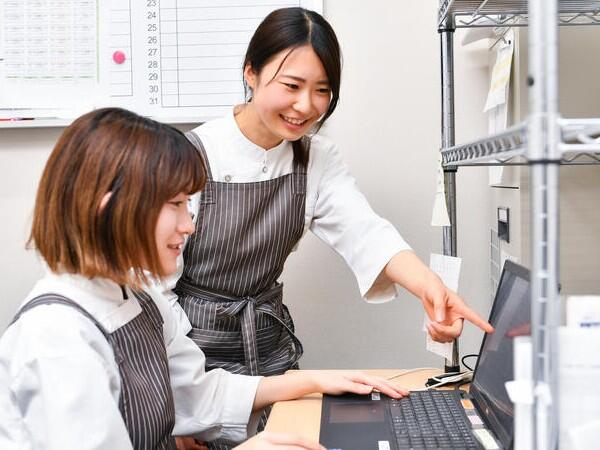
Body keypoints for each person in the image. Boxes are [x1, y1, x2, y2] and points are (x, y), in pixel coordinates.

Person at [170, 7, 493, 448]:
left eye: (322, 90)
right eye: (292, 85)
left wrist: (430, 288)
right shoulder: (191, 156)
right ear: (251, 72)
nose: (306, 106)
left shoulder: (316, 158)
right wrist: (179, 407)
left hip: (271, 355)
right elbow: (154, 294)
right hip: (191, 359)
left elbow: (366, 231)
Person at [0, 107, 407, 450]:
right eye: (176, 204)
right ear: (112, 208)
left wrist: (313, 381)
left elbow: (197, 394)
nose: (189, 225)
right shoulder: (56, 337)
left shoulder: (138, 297)